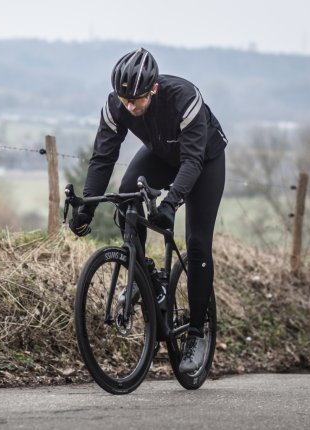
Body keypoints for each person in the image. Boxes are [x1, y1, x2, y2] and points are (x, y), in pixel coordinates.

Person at [69, 47, 227, 374]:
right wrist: (87, 205)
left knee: (197, 243)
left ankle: (197, 333)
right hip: (161, 154)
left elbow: (192, 161)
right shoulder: (117, 104)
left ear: (153, 89)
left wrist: (170, 204)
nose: (130, 106)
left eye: (137, 100)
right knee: (126, 197)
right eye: (124, 100)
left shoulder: (184, 98)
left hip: (203, 161)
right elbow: (103, 156)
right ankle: (143, 273)